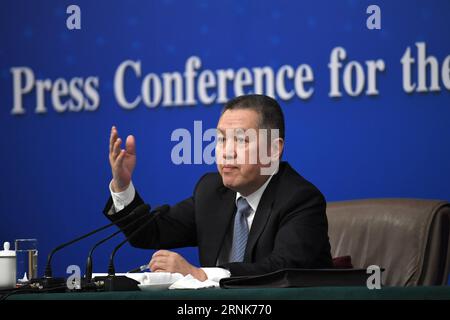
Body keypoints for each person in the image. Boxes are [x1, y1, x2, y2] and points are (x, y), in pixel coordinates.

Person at [104, 94, 332, 282]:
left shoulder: (300, 199)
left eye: (241, 140)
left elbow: (283, 270)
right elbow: (147, 233)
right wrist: (123, 185)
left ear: (273, 149)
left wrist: (201, 274)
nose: (226, 151)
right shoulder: (211, 192)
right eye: (221, 139)